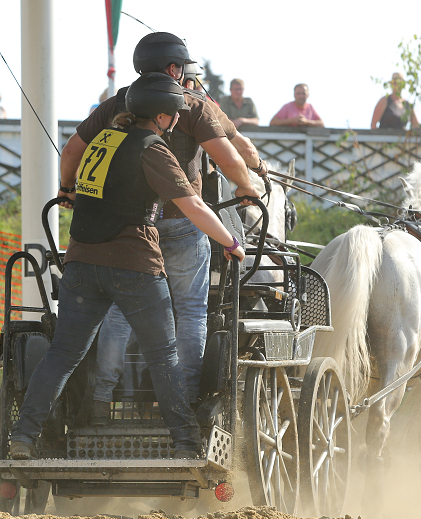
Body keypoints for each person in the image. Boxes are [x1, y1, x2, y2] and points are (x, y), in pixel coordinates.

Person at [8, 73, 246, 460]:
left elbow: (78, 173)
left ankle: (24, 436)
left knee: (63, 354)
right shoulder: (152, 149)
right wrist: (231, 243)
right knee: (163, 354)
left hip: (82, 264)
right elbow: (194, 207)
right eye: (173, 116)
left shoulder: (102, 141)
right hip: (134, 267)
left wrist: (65, 191)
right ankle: (186, 443)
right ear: (163, 117)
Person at [58, 32, 268, 421]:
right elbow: (228, 158)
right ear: (175, 69)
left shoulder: (118, 103)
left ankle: (101, 400)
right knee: (190, 311)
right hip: (185, 224)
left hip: (130, 229)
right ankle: (186, 398)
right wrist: (245, 187)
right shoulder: (192, 105)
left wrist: (66, 189)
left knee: (120, 312)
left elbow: (72, 150)